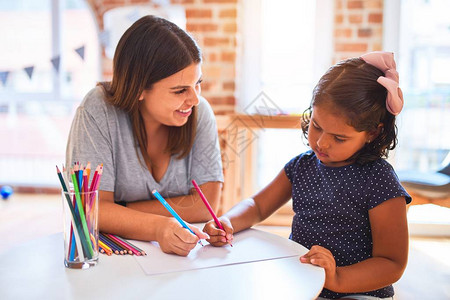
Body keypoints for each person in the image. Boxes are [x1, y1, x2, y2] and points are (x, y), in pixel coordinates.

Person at [204, 51, 411, 299]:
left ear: (372, 134)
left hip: (357, 292)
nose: (321, 143)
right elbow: (258, 206)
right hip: (302, 282)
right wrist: (227, 222)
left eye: (339, 137)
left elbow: (392, 262)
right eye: (317, 126)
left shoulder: (379, 180)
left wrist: (337, 278)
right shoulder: (302, 166)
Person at [66, 15, 224, 256]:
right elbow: (89, 208)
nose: (194, 99)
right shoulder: (97, 111)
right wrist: (158, 227)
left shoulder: (199, 113)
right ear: (139, 88)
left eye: (197, 83)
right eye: (180, 90)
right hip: (115, 260)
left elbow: (206, 204)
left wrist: (120, 210)